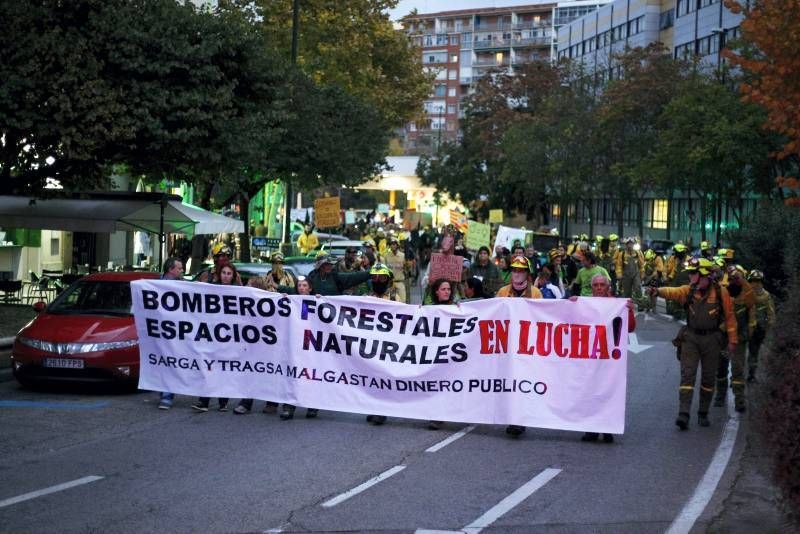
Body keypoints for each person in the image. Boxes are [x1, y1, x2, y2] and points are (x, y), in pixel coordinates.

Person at [648, 258, 737, 429]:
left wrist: (732, 341)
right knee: (687, 375)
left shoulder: (721, 293)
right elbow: (672, 291)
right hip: (691, 338)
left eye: (693, 273)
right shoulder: (689, 291)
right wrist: (656, 291)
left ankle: (703, 413)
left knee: (708, 378)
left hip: (712, 340)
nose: (690, 276)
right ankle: (684, 413)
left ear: (705, 275)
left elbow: (730, 317)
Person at [573, 274, 636, 443]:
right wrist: (569, 305)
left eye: (602, 285)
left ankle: (608, 427)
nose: (599, 288)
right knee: (590, 391)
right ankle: (591, 429)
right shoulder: (584, 304)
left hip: (610, 358)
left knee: (608, 391)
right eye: (596, 285)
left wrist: (629, 310)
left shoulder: (618, 304)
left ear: (608, 287)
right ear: (591, 287)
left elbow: (629, 328)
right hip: (590, 356)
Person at [495, 256, 542, 437]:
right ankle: (511, 417)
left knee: (523, 382)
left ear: (527, 274)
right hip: (507, 345)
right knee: (509, 381)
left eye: (521, 270)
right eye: (514, 270)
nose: (517, 273)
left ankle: (519, 419)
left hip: (527, 345)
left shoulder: (536, 293)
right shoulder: (502, 292)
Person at [192, 263, 241, 413]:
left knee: (224, 368)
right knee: (209, 367)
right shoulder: (211, 288)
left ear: (233, 276)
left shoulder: (239, 292)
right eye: (224, 273)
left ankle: (223, 402)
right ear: (220, 274)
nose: (226, 276)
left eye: (229, 273)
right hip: (212, 335)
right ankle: (204, 401)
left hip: (229, 337)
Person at [278, 275, 320, 420]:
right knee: (292, 374)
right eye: (300, 285)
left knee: (310, 375)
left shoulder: (316, 301)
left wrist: (320, 300)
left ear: (310, 288)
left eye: (304, 285)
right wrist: (283, 300)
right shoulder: (292, 301)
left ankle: (312, 405)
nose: (302, 288)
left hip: (310, 343)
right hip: (295, 343)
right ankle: (289, 406)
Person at [366, 264, 403, 426]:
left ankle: (381, 410)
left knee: (383, 377)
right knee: (371, 377)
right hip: (369, 343)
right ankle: (372, 408)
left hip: (388, 344)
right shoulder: (366, 297)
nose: (377, 281)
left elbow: (404, 317)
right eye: (374, 277)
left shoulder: (395, 297)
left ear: (387, 280)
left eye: (381, 278)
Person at [715, 264, 755, 412]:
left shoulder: (747, 295)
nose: (734, 281)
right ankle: (720, 395)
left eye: (737, 279)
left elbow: (751, 308)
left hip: (739, 338)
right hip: (722, 336)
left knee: (738, 369)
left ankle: (739, 400)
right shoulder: (723, 291)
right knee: (720, 367)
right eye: (731, 278)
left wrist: (748, 332)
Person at [157, 257, 184, 410]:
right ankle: (164, 393)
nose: (182, 271)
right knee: (163, 362)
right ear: (171, 269)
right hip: (160, 331)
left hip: (175, 331)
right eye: (179, 269)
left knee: (171, 362)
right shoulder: (156, 285)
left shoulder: (182, 285)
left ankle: (166, 396)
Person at [746, 269, 775, 382]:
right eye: (754, 280)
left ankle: (751, 375)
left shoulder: (766, 295)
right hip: (744, 327)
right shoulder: (745, 293)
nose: (756, 283)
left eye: (758, 281)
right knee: (740, 353)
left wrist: (769, 327)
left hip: (758, 329)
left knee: (754, 352)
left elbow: (771, 312)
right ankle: (737, 378)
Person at [383, 237, 407, 303]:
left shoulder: (403, 256)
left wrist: (409, 265)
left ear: (397, 245)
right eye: (391, 244)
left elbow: (407, 269)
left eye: (394, 244)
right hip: (389, 284)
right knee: (389, 303)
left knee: (402, 302)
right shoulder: (386, 256)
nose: (392, 246)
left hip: (400, 282)